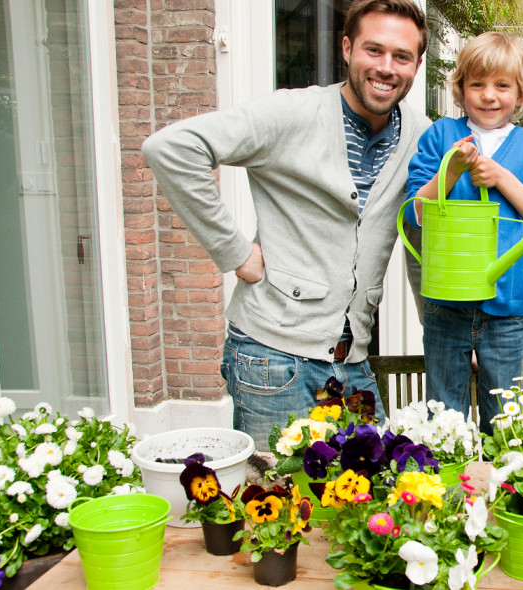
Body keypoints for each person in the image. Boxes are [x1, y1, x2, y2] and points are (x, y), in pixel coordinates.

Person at [142, 0, 430, 451]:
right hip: (271, 359)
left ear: (416, 65)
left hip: (353, 361)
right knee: (278, 507)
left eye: (402, 56)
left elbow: (420, 240)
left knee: (377, 498)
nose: (386, 67)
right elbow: (171, 149)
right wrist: (234, 252)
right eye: (374, 50)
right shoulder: (292, 113)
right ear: (347, 47)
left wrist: (440, 333)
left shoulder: (419, 135)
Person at [404, 31, 523, 434]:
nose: (489, 95)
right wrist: (451, 170)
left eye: (501, 85)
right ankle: (450, 489)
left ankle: (498, 489)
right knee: (444, 418)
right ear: (461, 89)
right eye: (477, 84)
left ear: (520, 93)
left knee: (504, 421)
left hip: (507, 307)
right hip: (446, 302)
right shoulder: (440, 137)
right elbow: (415, 213)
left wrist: (503, 177)